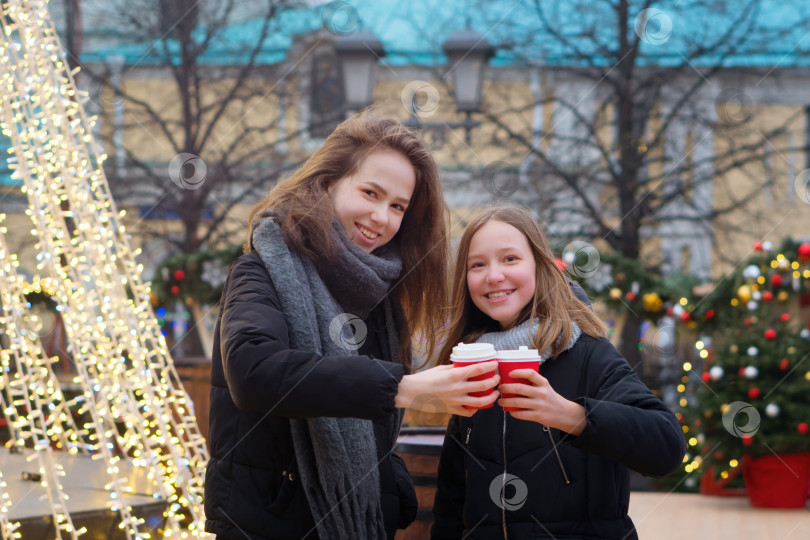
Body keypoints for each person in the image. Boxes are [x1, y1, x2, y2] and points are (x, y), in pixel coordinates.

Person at [204, 112, 500, 540]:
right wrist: (406, 387)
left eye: (398, 206)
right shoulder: (261, 270)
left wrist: (386, 482)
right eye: (370, 192)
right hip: (267, 525)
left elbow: (368, 421)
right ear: (327, 183)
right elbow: (254, 373)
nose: (382, 216)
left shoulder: (379, 294)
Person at [431, 205, 687, 540]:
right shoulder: (472, 364)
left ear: (540, 267)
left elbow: (667, 447)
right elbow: (451, 503)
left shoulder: (587, 352)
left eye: (510, 259)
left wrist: (572, 416)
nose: (493, 275)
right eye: (477, 264)